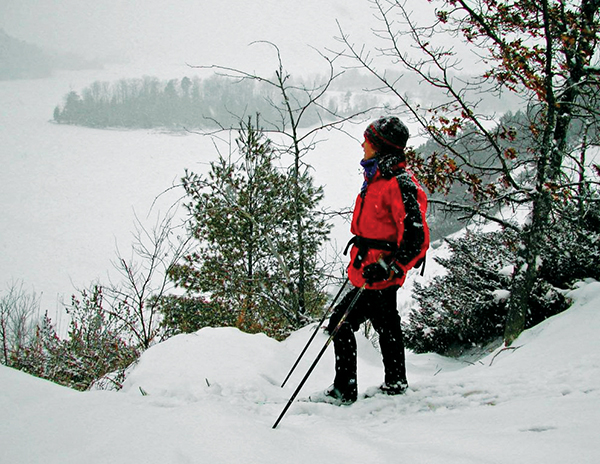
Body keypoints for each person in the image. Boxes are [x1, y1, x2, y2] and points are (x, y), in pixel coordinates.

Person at [316, 116, 430, 404]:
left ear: (379, 147)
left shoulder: (398, 183)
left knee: (340, 325)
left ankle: (345, 390)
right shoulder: (378, 178)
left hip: (379, 273)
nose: (362, 144)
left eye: (367, 140)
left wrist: (391, 267)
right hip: (369, 269)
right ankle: (395, 383)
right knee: (387, 324)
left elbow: (416, 237)